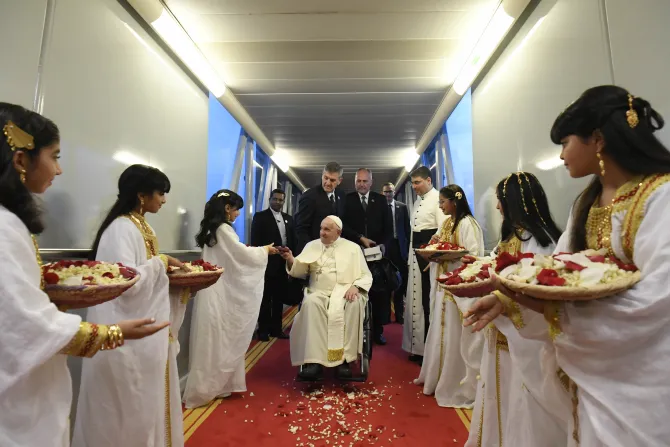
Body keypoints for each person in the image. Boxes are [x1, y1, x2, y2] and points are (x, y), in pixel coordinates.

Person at [464, 86, 670, 446]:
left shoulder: (661, 197)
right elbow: (559, 271)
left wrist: (552, 309)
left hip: (641, 369)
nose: (561, 155)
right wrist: (508, 299)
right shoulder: (585, 204)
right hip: (585, 369)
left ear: (598, 139)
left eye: (565, 142)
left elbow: (658, 299)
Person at [0, 103, 168, 446]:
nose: (59, 169)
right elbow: (23, 322)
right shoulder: (5, 227)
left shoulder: (11, 224)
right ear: (20, 160)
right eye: (55, 156)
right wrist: (112, 333)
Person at [73, 164, 187, 447]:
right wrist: (161, 263)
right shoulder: (121, 228)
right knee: (125, 411)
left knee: (144, 407)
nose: (164, 200)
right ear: (141, 195)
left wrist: (165, 269)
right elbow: (125, 282)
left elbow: (140, 273)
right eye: (160, 193)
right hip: (124, 334)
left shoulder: (141, 225)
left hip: (143, 332)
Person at [463, 172, 568, 447]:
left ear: (513, 202)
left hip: (526, 340)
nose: (498, 206)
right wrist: (477, 264)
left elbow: (540, 290)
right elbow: (497, 266)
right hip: (503, 332)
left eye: (501, 200)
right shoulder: (513, 236)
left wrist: (504, 297)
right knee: (500, 395)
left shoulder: (543, 241)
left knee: (523, 403)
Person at [183, 190, 279, 408]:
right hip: (220, 292)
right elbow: (241, 255)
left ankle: (219, 385)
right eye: (236, 209)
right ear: (227, 208)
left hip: (214, 290)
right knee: (220, 337)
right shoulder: (224, 229)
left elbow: (233, 255)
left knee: (215, 338)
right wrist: (265, 250)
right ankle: (209, 387)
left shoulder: (212, 228)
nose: (237, 214)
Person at [415, 185, 484, 408]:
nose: (440, 206)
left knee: (454, 333)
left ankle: (455, 381)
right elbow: (435, 244)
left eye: (442, 202)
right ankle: (436, 377)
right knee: (440, 330)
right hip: (442, 284)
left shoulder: (468, 224)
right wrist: (433, 252)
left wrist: (449, 257)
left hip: (458, 288)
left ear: (454, 201)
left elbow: (473, 255)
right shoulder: (446, 223)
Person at [281, 216, 373, 381]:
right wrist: (290, 259)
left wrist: (356, 287)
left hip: (345, 292)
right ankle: (314, 361)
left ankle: (344, 361)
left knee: (353, 304)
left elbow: (366, 275)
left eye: (327, 229)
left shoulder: (353, 248)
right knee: (311, 303)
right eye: (321, 228)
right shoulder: (311, 246)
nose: (322, 233)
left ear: (338, 232)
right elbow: (299, 272)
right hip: (318, 292)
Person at [342, 168, 392, 344]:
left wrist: (384, 244)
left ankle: (377, 331)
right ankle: (355, 332)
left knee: (378, 294)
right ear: (354, 182)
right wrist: (359, 238)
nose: (361, 184)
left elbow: (388, 227)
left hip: (376, 256)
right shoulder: (346, 200)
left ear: (371, 182)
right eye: (359, 181)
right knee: (355, 293)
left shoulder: (380, 200)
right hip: (353, 254)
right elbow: (343, 226)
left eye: (365, 181)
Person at [402, 166, 446, 363]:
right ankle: (418, 348)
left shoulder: (438, 200)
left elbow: (442, 231)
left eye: (417, 182)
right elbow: (414, 232)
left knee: (427, 302)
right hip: (415, 255)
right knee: (416, 301)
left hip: (429, 257)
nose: (414, 187)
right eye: (412, 183)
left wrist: (434, 257)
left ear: (429, 180)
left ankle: (429, 351)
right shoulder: (417, 201)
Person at [251, 188, 295, 341]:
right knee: (265, 299)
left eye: (281, 200)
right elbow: (255, 241)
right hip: (267, 263)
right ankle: (263, 330)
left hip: (283, 263)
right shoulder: (260, 217)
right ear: (270, 199)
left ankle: (276, 329)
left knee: (279, 298)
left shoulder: (289, 218)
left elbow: (292, 239)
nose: (278, 202)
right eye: (275, 199)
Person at [294, 162, 345, 254]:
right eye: (326, 178)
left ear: (339, 181)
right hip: (313, 250)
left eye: (332, 180)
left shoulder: (341, 195)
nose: (328, 183)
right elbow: (301, 228)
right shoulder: (309, 197)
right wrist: (311, 251)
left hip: (333, 251)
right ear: (322, 175)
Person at [382, 182, 410, 324]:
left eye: (390, 191)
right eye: (386, 192)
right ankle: (386, 316)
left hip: (400, 249)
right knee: (385, 283)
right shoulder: (379, 208)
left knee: (401, 282)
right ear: (383, 193)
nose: (388, 194)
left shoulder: (402, 207)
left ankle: (399, 315)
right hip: (386, 250)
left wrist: (408, 249)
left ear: (394, 192)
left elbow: (407, 230)